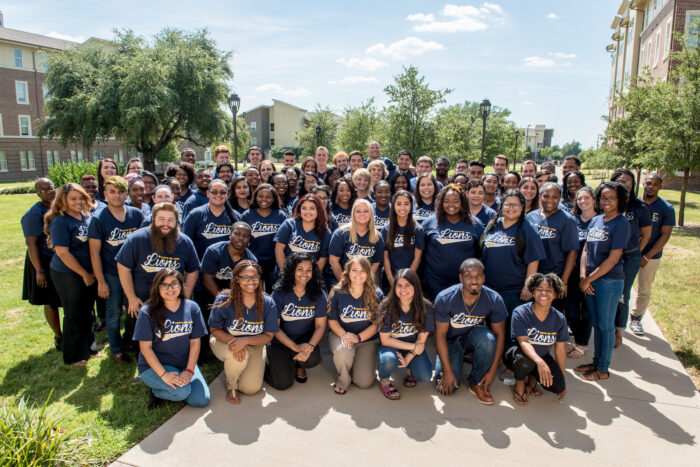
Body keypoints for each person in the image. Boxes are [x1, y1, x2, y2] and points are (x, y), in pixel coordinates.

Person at [116, 203, 200, 348]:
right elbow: (123, 267)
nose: (166, 224)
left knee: (169, 341)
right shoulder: (137, 238)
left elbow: (193, 270)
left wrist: (186, 293)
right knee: (140, 342)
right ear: (153, 219)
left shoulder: (184, 241)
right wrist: (131, 297)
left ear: (176, 221)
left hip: (172, 300)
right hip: (142, 300)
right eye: (161, 219)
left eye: (170, 220)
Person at [133, 268, 210, 409]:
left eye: (174, 283)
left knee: (201, 400)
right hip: (155, 366)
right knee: (181, 392)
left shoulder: (192, 308)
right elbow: (145, 348)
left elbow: (194, 342)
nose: (170, 288)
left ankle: (174, 384)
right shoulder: (147, 311)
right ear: (157, 287)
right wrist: (164, 375)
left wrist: (189, 371)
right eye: (164, 285)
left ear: (181, 285)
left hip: (183, 363)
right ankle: (156, 391)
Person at [577, 182, 630, 382]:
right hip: (589, 280)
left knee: (606, 326)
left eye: (611, 198)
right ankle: (596, 361)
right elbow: (585, 249)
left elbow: (613, 259)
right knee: (597, 325)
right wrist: (583, 275)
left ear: (620, 200)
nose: (606, 202)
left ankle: (603, 369)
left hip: (608, 282)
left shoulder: (621, 224)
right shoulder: (596, 220)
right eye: (603, 198)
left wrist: (590, 278)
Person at [434, 259, 507, 404]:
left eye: (478, 276)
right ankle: (452, 360)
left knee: (488, 339)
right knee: (447, 389)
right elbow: (440, 335)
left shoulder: (494, 298)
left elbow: (500, 335)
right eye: (468, 276)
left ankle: (476, 382)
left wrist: (492, 372)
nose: (474, 280)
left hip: (472, 336)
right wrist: (448, 371)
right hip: (449, 340)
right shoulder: (445, 298)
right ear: (461, 278)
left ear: (484, 278)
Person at [88, 176, 144, 363]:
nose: (117, 195)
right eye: (112, 191)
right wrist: (101, 281)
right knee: (113, 313)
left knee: (133, 309)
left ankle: (129, 340)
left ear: (126, 194)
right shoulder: (98, 219)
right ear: (105, 194)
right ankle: (116, 350)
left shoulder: (135, 214)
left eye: (121, 191)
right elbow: (94, 253)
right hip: (111, 273)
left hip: (134, 272)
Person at [208, 261, 278, 404]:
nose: (250, 281)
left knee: (251, 389)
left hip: (255, 344)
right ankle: (231, 385)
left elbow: (268, 336)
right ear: (237, 279)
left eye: (254, 277)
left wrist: (245, 341)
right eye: (245, 277)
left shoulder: (268, 302)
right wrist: (234, 342)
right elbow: (214, 329)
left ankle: (241, 368)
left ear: (260, 278)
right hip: (225, 340)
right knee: (236, 356)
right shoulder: (224, 299)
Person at [45, 183, 99, 366]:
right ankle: (73, 355)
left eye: (81, 197)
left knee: (88, 311)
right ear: (63, 201)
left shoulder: (86, 217)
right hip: (68, 273)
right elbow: (62, 253)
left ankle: (89, 349)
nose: (79, 202)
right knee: (74, 313)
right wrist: (84, 274)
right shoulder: (61, 221)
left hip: (88, 273)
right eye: (73, 199)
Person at [505, 273, 569, 406]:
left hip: (541, 356)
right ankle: (520, 384)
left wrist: (561, 378)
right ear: (533, 292)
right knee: (524, 361)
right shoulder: (520, 312)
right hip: (517, 354)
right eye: (539, 289)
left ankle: (532, 379)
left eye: (549, 290)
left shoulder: (559, 318)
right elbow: (523, 342)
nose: (543, 293)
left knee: (558, 386)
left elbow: (560, 350)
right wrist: (540, 363)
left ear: (556, 294)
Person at [266, 254, 328, 390]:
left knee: (312, 359)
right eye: (299, 269)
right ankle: (272, 363)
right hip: (280, 341)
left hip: (304, 339)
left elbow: (320, 325)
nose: (304, 274)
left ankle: (299, 364)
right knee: (282, 384)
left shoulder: (318, 293)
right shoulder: (279, 292)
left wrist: (309, 347)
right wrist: (294, 347)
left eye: (308, 270)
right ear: (292, 270)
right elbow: (274, 328)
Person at [480, 189, 546, 316]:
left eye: (515, 204)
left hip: (514, 291)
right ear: (502, 206)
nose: (511, 208)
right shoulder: (492, 225)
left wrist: (528, 286)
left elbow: (533, 260)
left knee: (511, 329)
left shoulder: (528, 228)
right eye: (507, 204)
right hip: (490, 288)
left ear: (522, 207)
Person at [328, 257, 383, 394]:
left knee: (364, 383)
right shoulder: (338, 292)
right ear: (348, 272)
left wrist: (358, 338)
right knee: (343, 351)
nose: (358, 275)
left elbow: (377, 323)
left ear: (369, 273)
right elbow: (332, 321)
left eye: (363, 271)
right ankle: (343, 379)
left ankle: (357, 363)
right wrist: (345, 335)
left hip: (366, 340)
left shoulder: (376, 293)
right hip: (342, 335)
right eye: (354, 270)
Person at [376, 269, 434, 400]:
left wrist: (409, 356)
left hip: (413, 347)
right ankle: (384, 380)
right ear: (394, 287)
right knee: (388, 360)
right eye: (399, 285)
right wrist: (413, 348)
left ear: (416, 287)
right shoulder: (386, 306)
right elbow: (385, 340)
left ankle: (410, 371)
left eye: (408, 285)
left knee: (424, 375)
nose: (403, 289)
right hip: (391, 347)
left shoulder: (426, 307)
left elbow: (421, 339)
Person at [630, 173, 675, 335]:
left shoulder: (666, 208)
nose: (650, 186)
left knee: (644, 289)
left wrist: (647, 256)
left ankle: (636, 317)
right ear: (643, 183)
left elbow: (665, 235)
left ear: (660, 187)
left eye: (655, 184)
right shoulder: (633, 203)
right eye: (648, 183)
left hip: (649, 256)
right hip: (628, 254)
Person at [611, 169, 652, 346]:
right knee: (608, 294)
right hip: (608, 257)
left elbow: (646, 234)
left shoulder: (640, 207)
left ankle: (618, 330)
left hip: (629, 257)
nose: (624, 184)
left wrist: (636, 252)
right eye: (620, 180)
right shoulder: (608, 204)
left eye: (628, 181)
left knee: (622, 294)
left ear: (633, 184)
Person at [422, 184, 484, 300]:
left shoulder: (474, 224)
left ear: (462, 203)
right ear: (441, 202)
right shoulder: (429, 223)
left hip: (466, 283)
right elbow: (421, 252)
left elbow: (481, 254)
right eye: (446, 201)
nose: (451, 205)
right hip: (436, 283)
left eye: (455, 201)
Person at [526, 182, 579, 314]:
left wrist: (564, 281)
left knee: (551, 315)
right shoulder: (531, 217)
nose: (550, 200)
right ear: (540, 196)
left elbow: (572, 252)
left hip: (554, 277)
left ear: (560, 198)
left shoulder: (567, 220)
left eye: (555, 196)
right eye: (546, 196)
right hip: (533, 276)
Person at [22, 178, 61, 350]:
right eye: (44, 190)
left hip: (60, 261)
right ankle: (59, 336)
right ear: (38, 193)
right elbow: (32, 244)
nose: (49, 191)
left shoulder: (59, 207)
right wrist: (39, 270)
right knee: (50, 301)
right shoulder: (34, 214)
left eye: (51, 188)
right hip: (42, 262)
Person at [565, 186, 598, 359]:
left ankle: (582, 344)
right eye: (580, 199)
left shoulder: (600, 220)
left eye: (586, 198)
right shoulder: (573, 220)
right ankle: (577, 339)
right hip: (572, 270)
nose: (583, 201)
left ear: (594, 199)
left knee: (586, 310)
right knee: (571, 309)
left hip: (591, 272)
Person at [241, 183, 287, 291]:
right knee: (255, 294)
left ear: (274, 199)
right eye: (260, 196)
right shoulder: (247, 215)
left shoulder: (280, 215)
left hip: (274, 263)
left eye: (268, 197)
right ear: (255, 197)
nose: (264, 199)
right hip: (253, 262)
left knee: (274, 293)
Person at [329, 199, 385, 281]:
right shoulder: (341, 234)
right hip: (342, 280)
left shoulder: (377, 237)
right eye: (358, 211)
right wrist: (344, 283)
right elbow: (333, 261)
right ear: (353, 214)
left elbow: (376, 263)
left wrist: (365, 281)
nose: (362, 214)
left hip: (366, 281)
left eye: (366, 211)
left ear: (371, 214)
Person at [182, 179, 238, 260]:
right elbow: (186, 243)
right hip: (201, 265)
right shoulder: (195, 215)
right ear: (208, 194)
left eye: (222, 192)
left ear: (227, 194)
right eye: (214, 192)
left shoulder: (236, 216)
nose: (218, 195)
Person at [275, 194, 331, 271]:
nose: (307, 212)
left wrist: (311, 277)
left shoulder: (325, 232)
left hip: (309, 277)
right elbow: (279, 249)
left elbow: (323, 258)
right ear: (299, 210)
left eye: (312, 208)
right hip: (286, 273)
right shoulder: (289, 225)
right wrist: (285, 274)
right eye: (304, 208)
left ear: (318, 210)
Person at [201, 222, 257, 297]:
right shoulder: (214, 251)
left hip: (237, 298)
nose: (241, 238)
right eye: (237, 234)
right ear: (230, 235)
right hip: (210, 295)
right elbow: (207, 280)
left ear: (249, 239)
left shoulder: (251, 260)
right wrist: (222, 299)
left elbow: (249, 285)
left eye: (245, 236)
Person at [381, 190, 424, 288]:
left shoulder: (418, 229)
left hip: (410, 280)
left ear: (411, 206)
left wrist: (406, 281)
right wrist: (391, 280)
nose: (403, 208)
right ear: (393, 206)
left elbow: (417, 258)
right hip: (390, 279)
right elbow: (385, 257)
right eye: (399, 204)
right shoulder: (386, 229)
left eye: (406, 204)